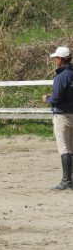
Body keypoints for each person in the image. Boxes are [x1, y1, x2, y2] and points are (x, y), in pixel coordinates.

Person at [42, 46, 73, 190]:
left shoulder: (61, 76)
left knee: (64, 148)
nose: (55, 60)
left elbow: (56, 99)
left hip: (62, 115)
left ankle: (66, 181)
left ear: (60, 59)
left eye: (56, 58)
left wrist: (47, 98)